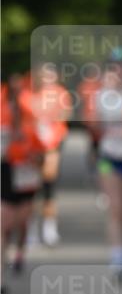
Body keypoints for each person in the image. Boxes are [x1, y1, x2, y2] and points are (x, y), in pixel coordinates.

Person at [87, 59, 122, 280]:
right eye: (115, 68)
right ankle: (118, 256)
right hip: (108, 156)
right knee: (116, 208)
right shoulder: (102, 95)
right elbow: (93, 125)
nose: (119, 72)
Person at [1, 75, 45, 293]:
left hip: (27, 175)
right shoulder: (2, 115)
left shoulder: (33, 119)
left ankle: (19, 252)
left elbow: (43, 152)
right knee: (4, 224)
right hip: (6, 172)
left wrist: (32, 154)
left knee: (22, 221)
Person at [20, 64, 71, 246]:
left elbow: (63, 117)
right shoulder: (27, 94)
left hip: (52, 144)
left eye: (51, 76)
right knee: (31, 190)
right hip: (31, 148)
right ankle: (31, 230)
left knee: (49, 185)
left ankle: (49, 229)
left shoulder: (60, 93)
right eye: (44, 76)